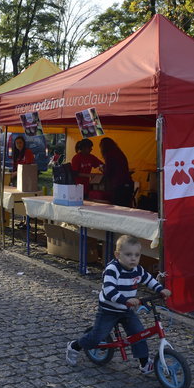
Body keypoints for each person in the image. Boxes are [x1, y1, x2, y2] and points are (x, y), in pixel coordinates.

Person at [65, 235, 172, 373]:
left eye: (136, 255)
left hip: (126, 310)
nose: (133, 258)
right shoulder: (112, 269)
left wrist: (160, 289)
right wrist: (125, 300)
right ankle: (74, 346)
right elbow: (109, 290)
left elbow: (149, 280)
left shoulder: (137, 269)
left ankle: (144, 363)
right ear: (117, 254)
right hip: (108, 310)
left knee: (138, 334)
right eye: (128, 254)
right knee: (96, 337)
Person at [99, 137, 134, 207]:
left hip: (118, 186)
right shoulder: (119, 152)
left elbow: (108, 171)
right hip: (127, 184)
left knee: (117, 207)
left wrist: (103, 169)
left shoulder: (109, 154)